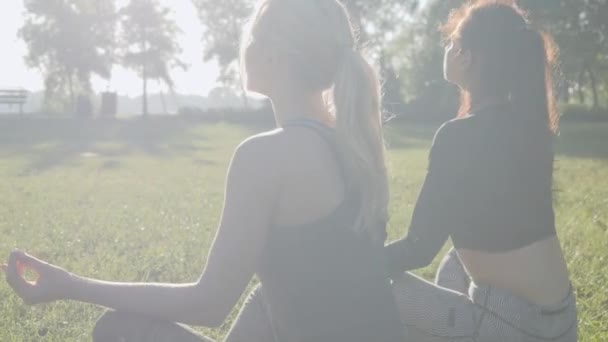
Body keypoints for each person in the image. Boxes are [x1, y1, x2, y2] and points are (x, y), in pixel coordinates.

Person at [2, 0, 405, 341]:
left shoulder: (266, 155)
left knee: (119, 330)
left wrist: (69, 285)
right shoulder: (357, 147)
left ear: (271, 55)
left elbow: (208, 304)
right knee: (263, 300)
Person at [385, 1, 577, 341]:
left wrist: (350, 259)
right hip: (561, 322)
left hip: (515, 325)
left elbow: (418, 248)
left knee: (380, 287)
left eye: (452, 41)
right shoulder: (533, 131)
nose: (446, 47)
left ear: (466, 55)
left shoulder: (458, 137)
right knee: (453, 263)